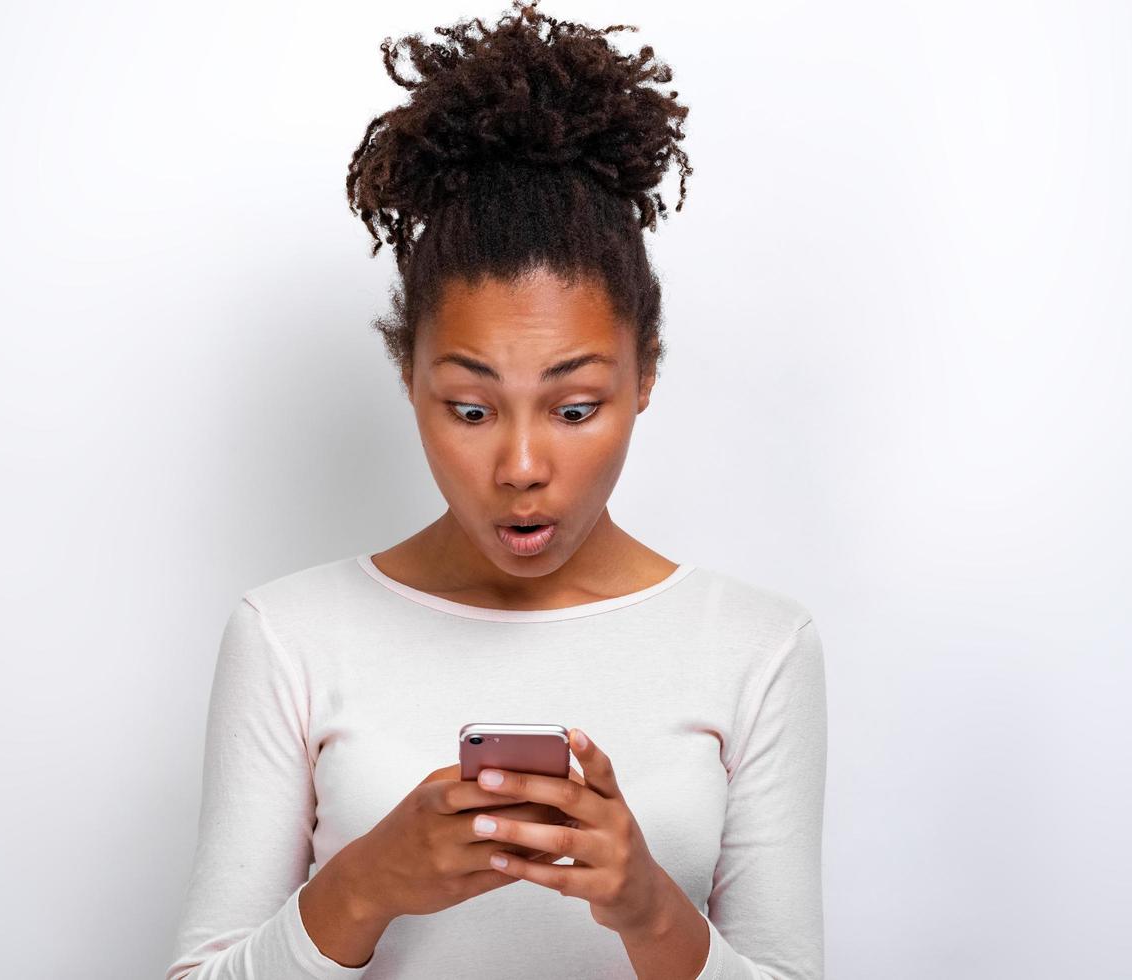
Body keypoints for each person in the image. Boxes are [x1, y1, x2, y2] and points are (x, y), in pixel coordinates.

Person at [163, 2, 827, 977]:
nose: (520, 465)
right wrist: (365, 882)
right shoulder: (287, 635)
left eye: (573, 406)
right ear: (409, 381)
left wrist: (647, 906)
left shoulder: (757, 648)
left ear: (643, 377)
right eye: (471, 408)